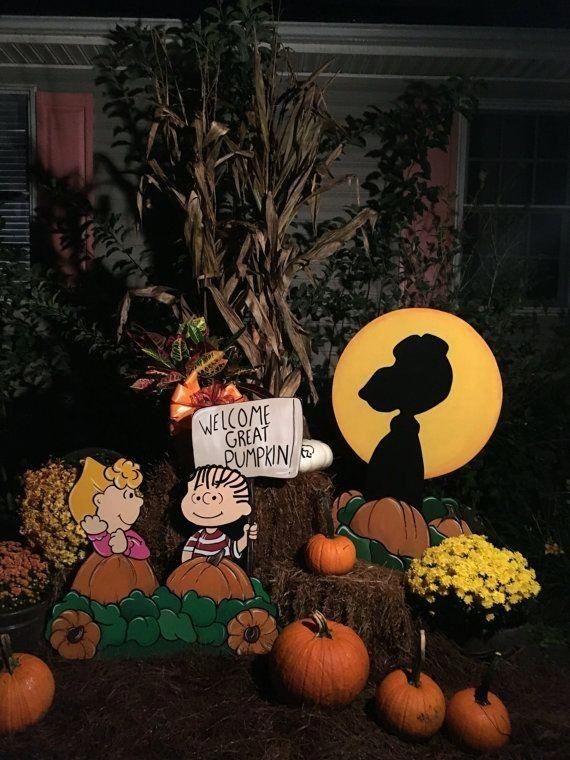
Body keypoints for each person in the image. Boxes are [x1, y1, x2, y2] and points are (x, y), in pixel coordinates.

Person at [68, 456, 150, 559]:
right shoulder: (102, 535)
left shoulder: (127, 534)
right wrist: (97, 533)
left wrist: (126, 545)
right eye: (129, 496)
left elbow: (144, 552)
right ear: (99, 500)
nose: (140, 501)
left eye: (133, 495)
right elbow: (105, 550)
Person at [180, 465, 257, 562]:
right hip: (198, 574)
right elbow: (186, 557)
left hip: (223, 574)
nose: (206, 502)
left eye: (214, 498)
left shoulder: (223, 538)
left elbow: (235, 549)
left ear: (243, 508)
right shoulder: (197, 537)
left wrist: (247, 537)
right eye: (197, 498)